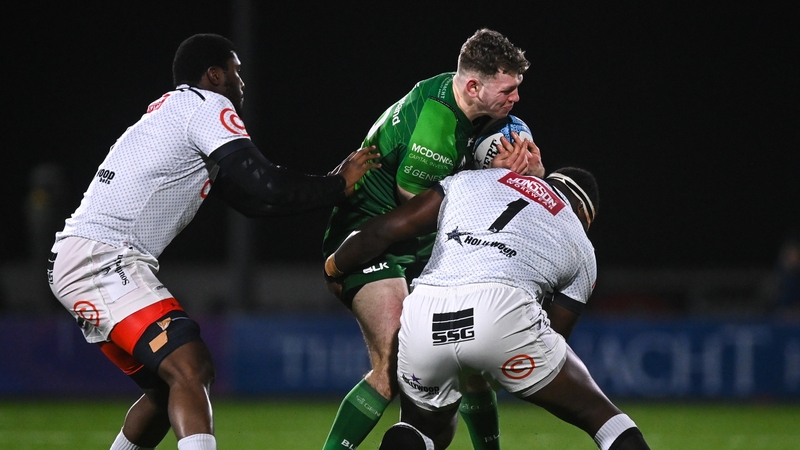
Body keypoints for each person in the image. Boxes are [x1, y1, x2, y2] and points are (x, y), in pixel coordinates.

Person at [46, 33, 379, 450]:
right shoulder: (207, 106)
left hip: (87, 257)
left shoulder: (174, 113)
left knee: (169, 389)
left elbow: (256, 201)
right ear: (215, 75)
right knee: (191, 367)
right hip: (103, 257)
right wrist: (337, 186)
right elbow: (268, 184)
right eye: (236, 73)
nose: (241, 84)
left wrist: (334, 188)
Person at [325, 167, 651, 450]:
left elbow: (383, 230)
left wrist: (336, 265)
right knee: (602, 418)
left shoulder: (476, 181)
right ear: (585, 213)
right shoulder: (580, 241)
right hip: (500, 313)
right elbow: (555, 333)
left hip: (426, 309)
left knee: (422, 431)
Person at [320, 28, 539, 450]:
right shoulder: (434, 129)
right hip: (369, 239)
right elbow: (420, 211)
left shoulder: (480, 106)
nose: (515, 100)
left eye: (517, 89)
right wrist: (496, 178)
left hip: (423, 243)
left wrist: (532, 169)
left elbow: (528, 178)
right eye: (509, 90)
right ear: (474, 85)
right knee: (394, 367)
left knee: (471, 361)